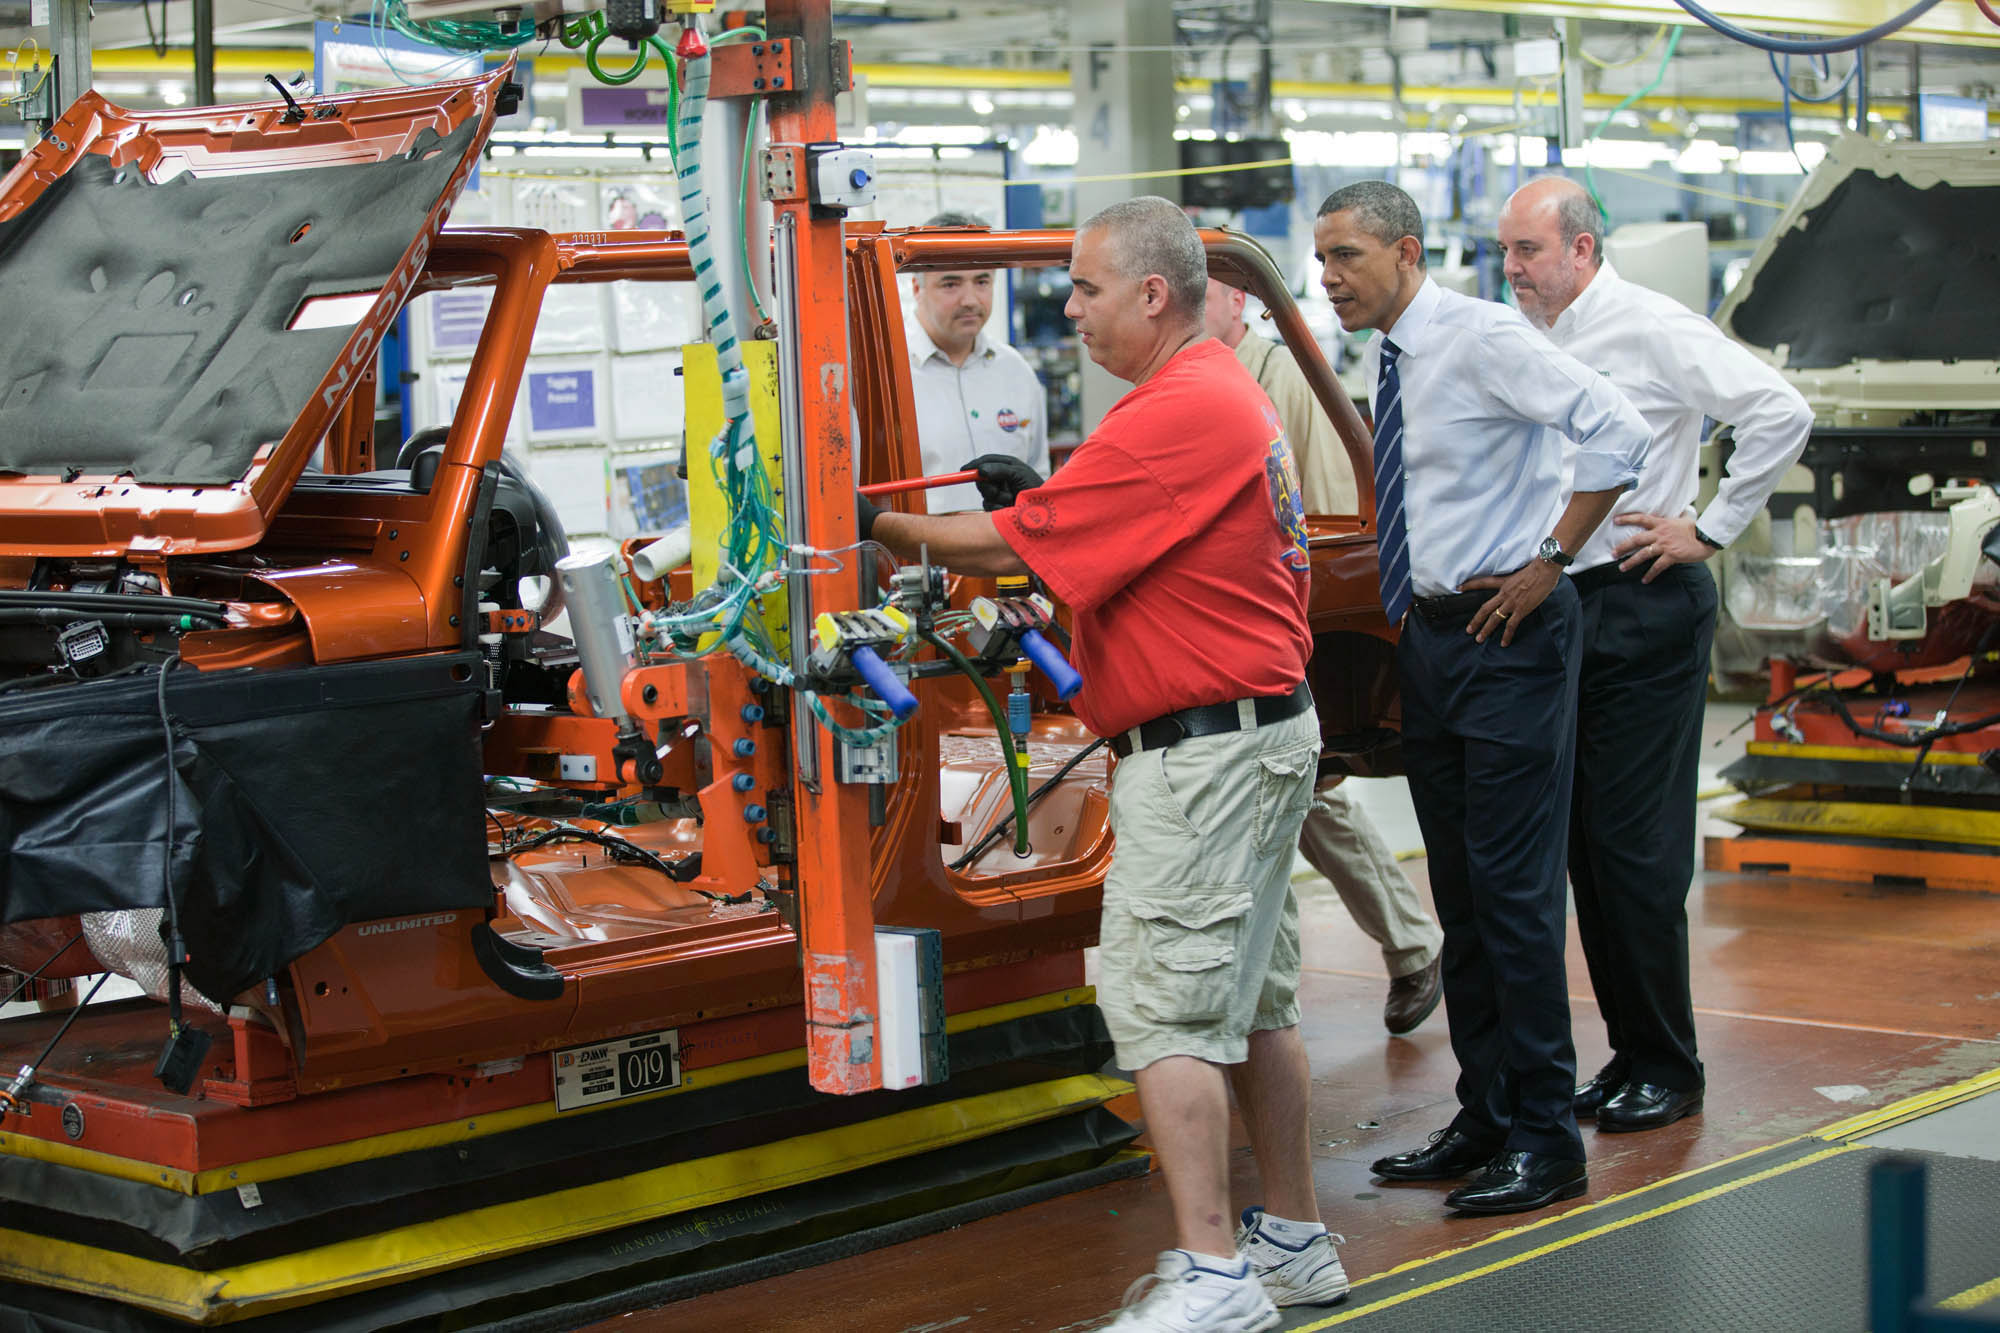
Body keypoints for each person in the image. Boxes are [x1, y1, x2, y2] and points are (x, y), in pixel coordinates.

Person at [863, 196, 1341, 1332]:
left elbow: (1004, 534)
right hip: (1251, 734)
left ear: (1151, 294)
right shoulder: (1209, 392)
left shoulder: (1181, 405)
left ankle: (1215, 1276)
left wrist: (869, 524)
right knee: (1252, 1002)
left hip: (1202, 758)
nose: (1064, 308)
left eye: (1081, 288)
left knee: (1162, 1008)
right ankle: (1294, 1238)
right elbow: (1131, 557)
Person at [1313, 181, 1650, 1215]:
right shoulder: (1392, 358)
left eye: (1346, 258)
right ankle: (1487, 1111)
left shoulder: (1480, 338)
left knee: (1509, 899)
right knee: (1457, 895)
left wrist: (1553, 557)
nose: (1327, 279)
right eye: (1319, 260)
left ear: (1403, 252)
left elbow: (1618, 432)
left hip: (1508, 636)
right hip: (1433, 638)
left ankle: (1545, 1138)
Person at [1497, 177, 1812, 1133]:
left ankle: (1670, 1064)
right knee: (1589, 844)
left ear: (1583, 250)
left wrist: (1707, 529)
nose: (1511, 269)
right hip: (1569, 606)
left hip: (1641, 600)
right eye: (1505, 251)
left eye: (1529, 252)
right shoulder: (1534, 339)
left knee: (1635, 849)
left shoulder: (1648, 325)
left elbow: (1778, 410)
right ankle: (1633, 1048)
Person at [1203, 279, 1445, 1036]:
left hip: (1279, 622)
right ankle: (1407, 947)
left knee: (1301, 786)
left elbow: (1338, 513)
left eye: (1197, 289)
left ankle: (1394, 951)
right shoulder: (1189, 375)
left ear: (1238, 301)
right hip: (1217, 620)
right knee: (1294, 794)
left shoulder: (1283, 378)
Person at [905, 210, 1051, 512]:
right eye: (950, 284)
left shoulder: (1016, 372)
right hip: (914, 556)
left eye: (982, 281)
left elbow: (1040, 478)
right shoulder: (885, 376)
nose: (970, 299)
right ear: (916, 288)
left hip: (1008, 555)